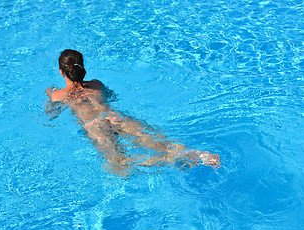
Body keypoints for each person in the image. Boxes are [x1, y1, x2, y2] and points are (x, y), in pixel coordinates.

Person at [45, 49, 220, 176]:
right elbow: (111, 96)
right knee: (163, 144)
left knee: (119, 168)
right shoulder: (97, 84)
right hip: (113, 116)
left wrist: (49, 94)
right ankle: (195, 155)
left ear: (62, 72)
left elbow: (50, 116)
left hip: (94, 125)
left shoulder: (57, 95)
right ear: (82, 68)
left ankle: (165, 161)